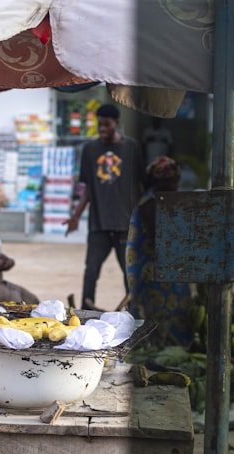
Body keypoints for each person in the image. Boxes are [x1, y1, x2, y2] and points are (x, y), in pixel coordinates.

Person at [63, 103, 144, 311]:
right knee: (90, 272)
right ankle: (84, 313)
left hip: (125, 225)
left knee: (129, 273)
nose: (102, 129)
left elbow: (141, 185)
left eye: (106, 124)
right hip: (98, 225)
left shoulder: (132, 148)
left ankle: (134, 313)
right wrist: (75, 217)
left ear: (116, 123)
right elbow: (88, 188)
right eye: (99, 125)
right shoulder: (90, 150)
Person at [125, 156, 195, 348]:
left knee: (177, 305)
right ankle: (156, 347)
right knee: (157, 307)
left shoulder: (164, 199)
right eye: (169, 181)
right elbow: (160, 235)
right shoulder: (150, 203)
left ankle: (174, 345)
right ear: (159, 181)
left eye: (175, 181)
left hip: (162, 263)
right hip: (150, 266)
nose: (174, 185)